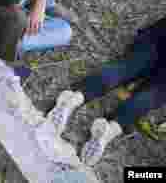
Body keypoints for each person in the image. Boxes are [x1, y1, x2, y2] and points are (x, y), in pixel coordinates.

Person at [40, 15, 166, 166]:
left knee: (125, 69)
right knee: (150, 96)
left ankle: (73, 99)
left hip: (157, 37)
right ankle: (108, 131)